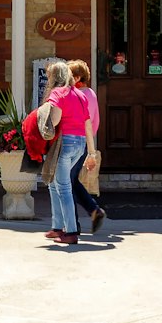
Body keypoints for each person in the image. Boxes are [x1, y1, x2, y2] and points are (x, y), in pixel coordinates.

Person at [47, 59, 98, 246]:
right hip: (80, 144)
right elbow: (87, 125)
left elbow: (54, 121)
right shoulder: (80, 94)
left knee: (64, 187)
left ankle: (71, 231)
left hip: (64, 143)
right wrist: (91, 153)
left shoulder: (57, 94)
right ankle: (57, 226)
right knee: (55, 183)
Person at [66, 59, 107, 234]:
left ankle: (72, 225)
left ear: (76, 77)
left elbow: (83, 121)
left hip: (76, 141)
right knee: (71, 181)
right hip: (83, 142)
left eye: (68, 76)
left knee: (66, 183)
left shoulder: (79, 96)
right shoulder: (90, 93)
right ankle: (93, 211)